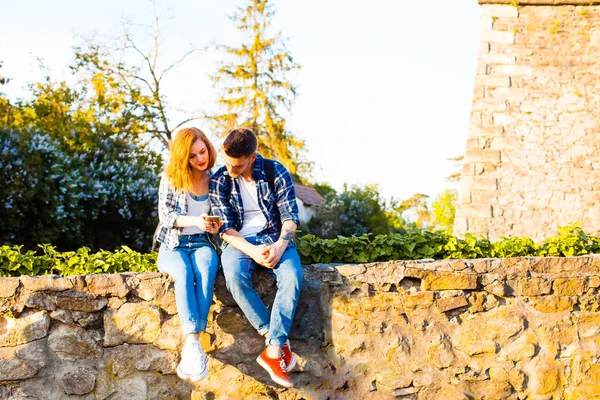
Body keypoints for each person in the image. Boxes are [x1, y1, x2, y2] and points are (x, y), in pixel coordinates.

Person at [209, 127, 302, 388]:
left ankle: (273, 351)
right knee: (235, 278)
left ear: (252, 157)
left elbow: (290, 216)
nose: (230, 170)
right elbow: (225, 228)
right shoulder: (220, 179)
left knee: (293, 276)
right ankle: (274, 338)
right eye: (227, 162)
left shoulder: (274, 171)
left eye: (236, 165)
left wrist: (279, 247)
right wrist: (252, 251)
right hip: (239, 243)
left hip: (275, 238)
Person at [156, 127, 221, 382]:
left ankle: (193, 349)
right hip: (174, 243)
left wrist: (215, 224)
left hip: (204, 242)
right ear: (184, 158)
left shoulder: (217, 179)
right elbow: (166, 217)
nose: (200, 159)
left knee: (205, 270)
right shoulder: (171, 178)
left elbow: (224, 214)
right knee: (183, 272)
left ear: (208, 146)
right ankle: (193, 344)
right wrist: (196, 218)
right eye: (193, 156)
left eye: (202, 151)